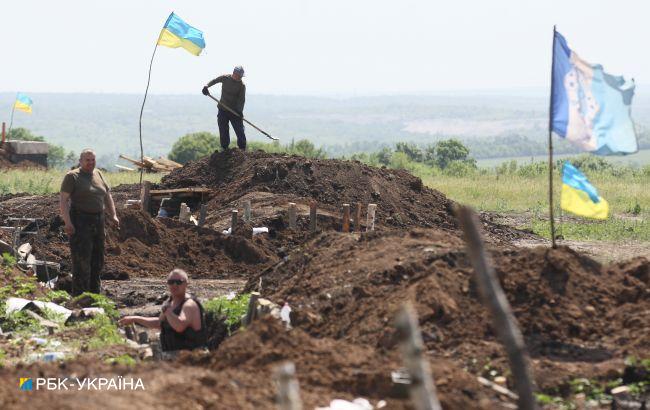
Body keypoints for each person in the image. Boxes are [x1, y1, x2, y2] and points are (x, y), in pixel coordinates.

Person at [60, 149, 119, 296]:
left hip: (98, 221)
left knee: (97, 261)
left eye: (93, 160)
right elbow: (63, 200)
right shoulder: (72, 177)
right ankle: (80, 298)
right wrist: (67, 222)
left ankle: (94, 295)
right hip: (80, 221)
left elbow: (107, 196)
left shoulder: (98, 174)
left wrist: (114, 215)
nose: (90, 163)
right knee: (82, 263)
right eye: (87, 160)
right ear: (80, 161)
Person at [118, 269, 207, 352]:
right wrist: (135, 318)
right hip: (172, 352)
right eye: (171, 282)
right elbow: (159, 323)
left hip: (192, 354)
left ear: (186, 284)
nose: (174, 285)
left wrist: (167, 311)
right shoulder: (170, 302)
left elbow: (180, 326)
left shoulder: (189, 304)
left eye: (178, 282)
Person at [202, 65, 247, 150]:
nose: (240, 78)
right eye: (239, 76)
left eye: (241, 76)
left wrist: (239, 112)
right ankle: (225, 149)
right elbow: (215, 80)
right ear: (234, 73)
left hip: (235, 112)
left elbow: (241, 100)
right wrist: (206, 86)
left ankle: (242, 149)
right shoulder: (225, 78)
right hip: (222, 110)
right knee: (223, 130)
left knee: (240, 131)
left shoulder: (241, 85)